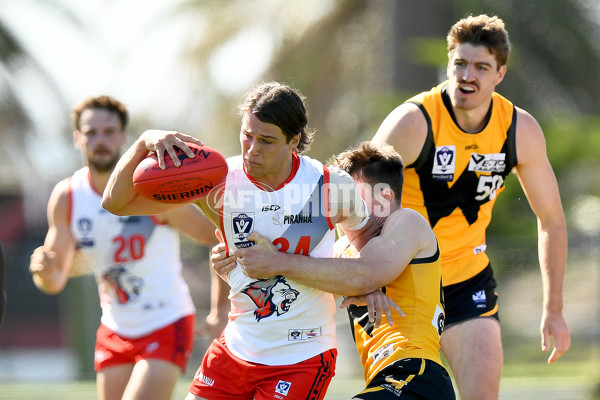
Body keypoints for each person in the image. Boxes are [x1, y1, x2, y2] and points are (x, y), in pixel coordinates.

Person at [101, 81, 375, 400]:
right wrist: (144, 142)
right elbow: (115, 203)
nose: (252, 149)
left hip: (301, 356)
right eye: (247, 135)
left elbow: (367, 242)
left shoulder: (329, 186)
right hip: (235, 348)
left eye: (266, 140)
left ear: (294, 141)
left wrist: (369, 284)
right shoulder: (216, 179)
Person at [370, 14, 570, 400]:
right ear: (448, 64)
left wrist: (554, 308)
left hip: (467, 282)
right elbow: (354, 197)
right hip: (401, 282)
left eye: (481, 67)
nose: (468, 75)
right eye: (460, 63)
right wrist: (368, 275)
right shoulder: (414, 123)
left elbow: (551, 220)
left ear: (500, 74)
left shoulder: (519, 130)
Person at [211, 141, 456, 399]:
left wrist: (361, 281)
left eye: (351, 196)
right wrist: (233, 264)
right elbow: (289, 284)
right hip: (384, 380)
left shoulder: (407, 221)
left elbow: (364, 273)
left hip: (416, 374)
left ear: (385, 196)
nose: (341, 206)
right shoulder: (341, 253)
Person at [29, 95, 226, 400]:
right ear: (77, 138)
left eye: (109, 132)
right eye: (91, 132)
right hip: (114, 326)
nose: (100, 140)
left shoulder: (151, 187)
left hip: (166, 320)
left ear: (123, 136)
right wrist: (43, 271)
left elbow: (216, 235)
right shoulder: (68, 196)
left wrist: (220, 309)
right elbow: (54, 280)